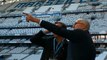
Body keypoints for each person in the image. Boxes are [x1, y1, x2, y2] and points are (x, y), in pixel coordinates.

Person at [24, 13, 96, 60]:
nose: (73, 25)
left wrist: (34, 19)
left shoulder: (78, 35)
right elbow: (33, 39)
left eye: (76, 23)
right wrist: (46, 31)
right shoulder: (49, 41)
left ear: (83, 25)